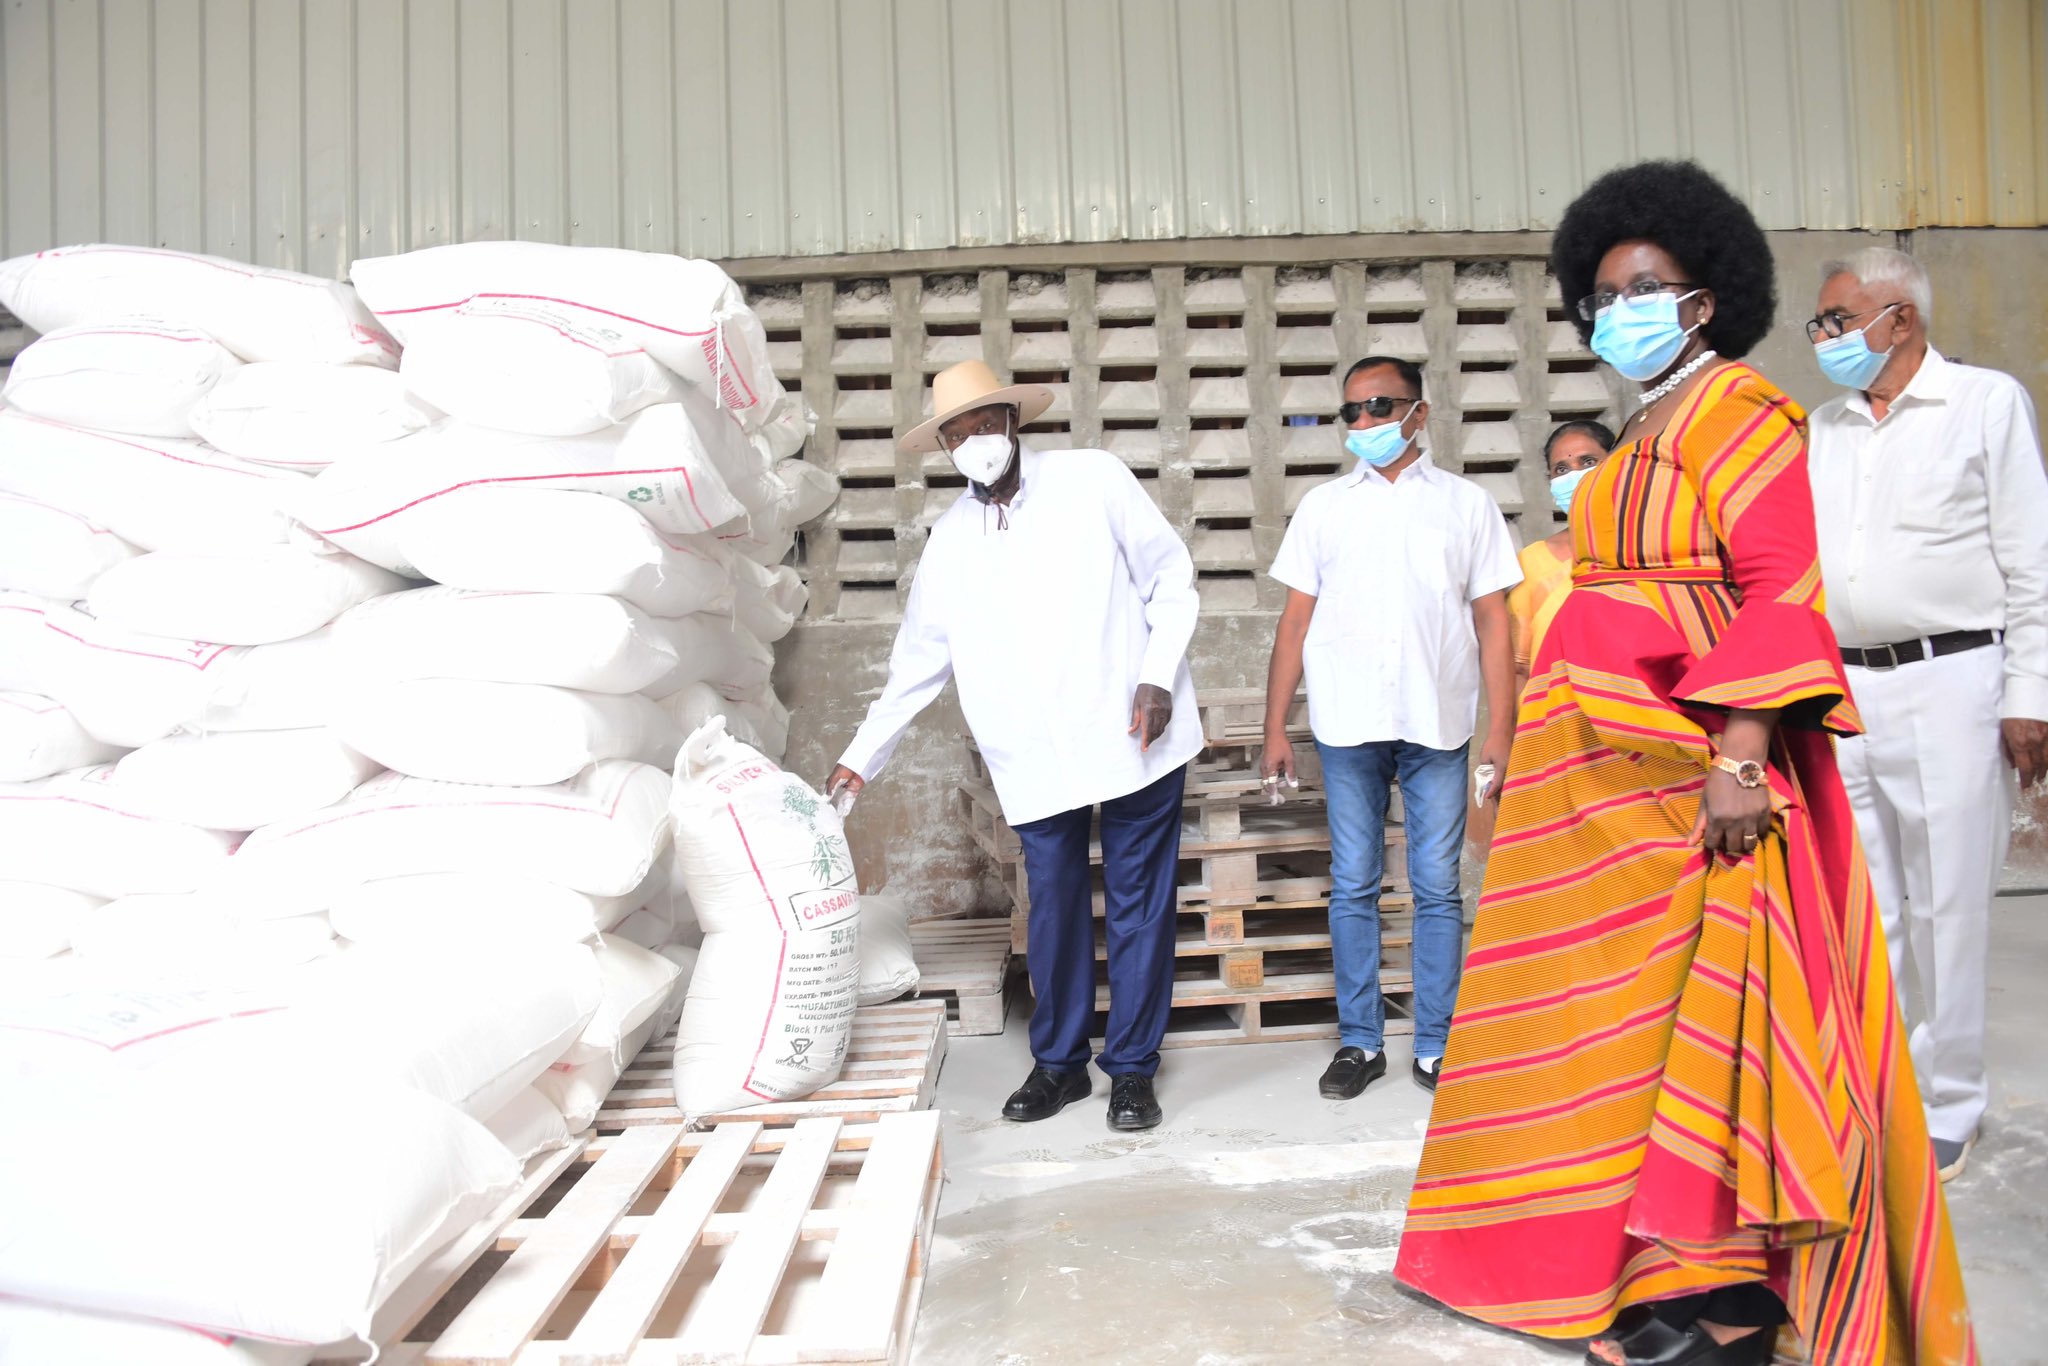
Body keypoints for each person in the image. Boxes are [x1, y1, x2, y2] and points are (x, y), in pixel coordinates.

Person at [1394, 161, 1975, 1366]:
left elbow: (1778, 588)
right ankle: (1649, 1284)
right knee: (1616, 1037)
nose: (1617, 312)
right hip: (1598, 788)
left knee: (1709, 1028)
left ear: (1700, 301)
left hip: (1691, 770)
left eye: (1642, 288)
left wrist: (1743, 758)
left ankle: (1730, 1310)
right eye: (1601, 294)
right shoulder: (1644, 423)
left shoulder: (1740, 410)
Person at [827, 359, 1201, 1133]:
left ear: (1012, 422)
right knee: (1055, 905)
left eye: (983, 426)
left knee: (1138, 904)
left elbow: (1172, 580)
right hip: (1034, 753)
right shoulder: (952, 541)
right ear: (945, 449)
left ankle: (1132, 1070)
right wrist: (860, 758)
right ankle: (1059, 1064)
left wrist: (1157, 675)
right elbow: (915, 666)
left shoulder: (1093, 481)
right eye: (955, 436)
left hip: (1135, 729)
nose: (974, 444)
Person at [1805, 245, 2048, 1182]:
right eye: (1820, 324)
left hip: (1956, 678)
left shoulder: (1983, 404)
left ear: (1897, 318)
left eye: (1837, 319)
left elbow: (2029, 559)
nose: (1824, 338)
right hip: (1849, 686)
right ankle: (1881, 1085)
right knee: (1867, 900)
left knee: (1950, 899)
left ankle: (1952, 1101)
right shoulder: (1825, 426)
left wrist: (2029, 694)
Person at [1259, 356, 1520, 1101]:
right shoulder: (1323, 508)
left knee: (1438, 888)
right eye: (1351, 413)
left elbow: (1492, 621)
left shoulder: (1467, 506)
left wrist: (1499, 730)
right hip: (1347, 724)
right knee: (1353, 885)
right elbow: (1294, 623)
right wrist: (1278, 725)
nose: (1364, 425)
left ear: (1420, 413)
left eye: (1380, 407)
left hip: (1438, 722)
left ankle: (1437, 1044)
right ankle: (1359, 1041)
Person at [1509, 420, 1616, 693]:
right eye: (1562, 469)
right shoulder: (1532, 561)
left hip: (1636, 720)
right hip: (1551, 721)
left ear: (1616, 464)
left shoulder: (1647, 548)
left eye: (1588, 461)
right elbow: (1520, 666)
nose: (1575, 475)